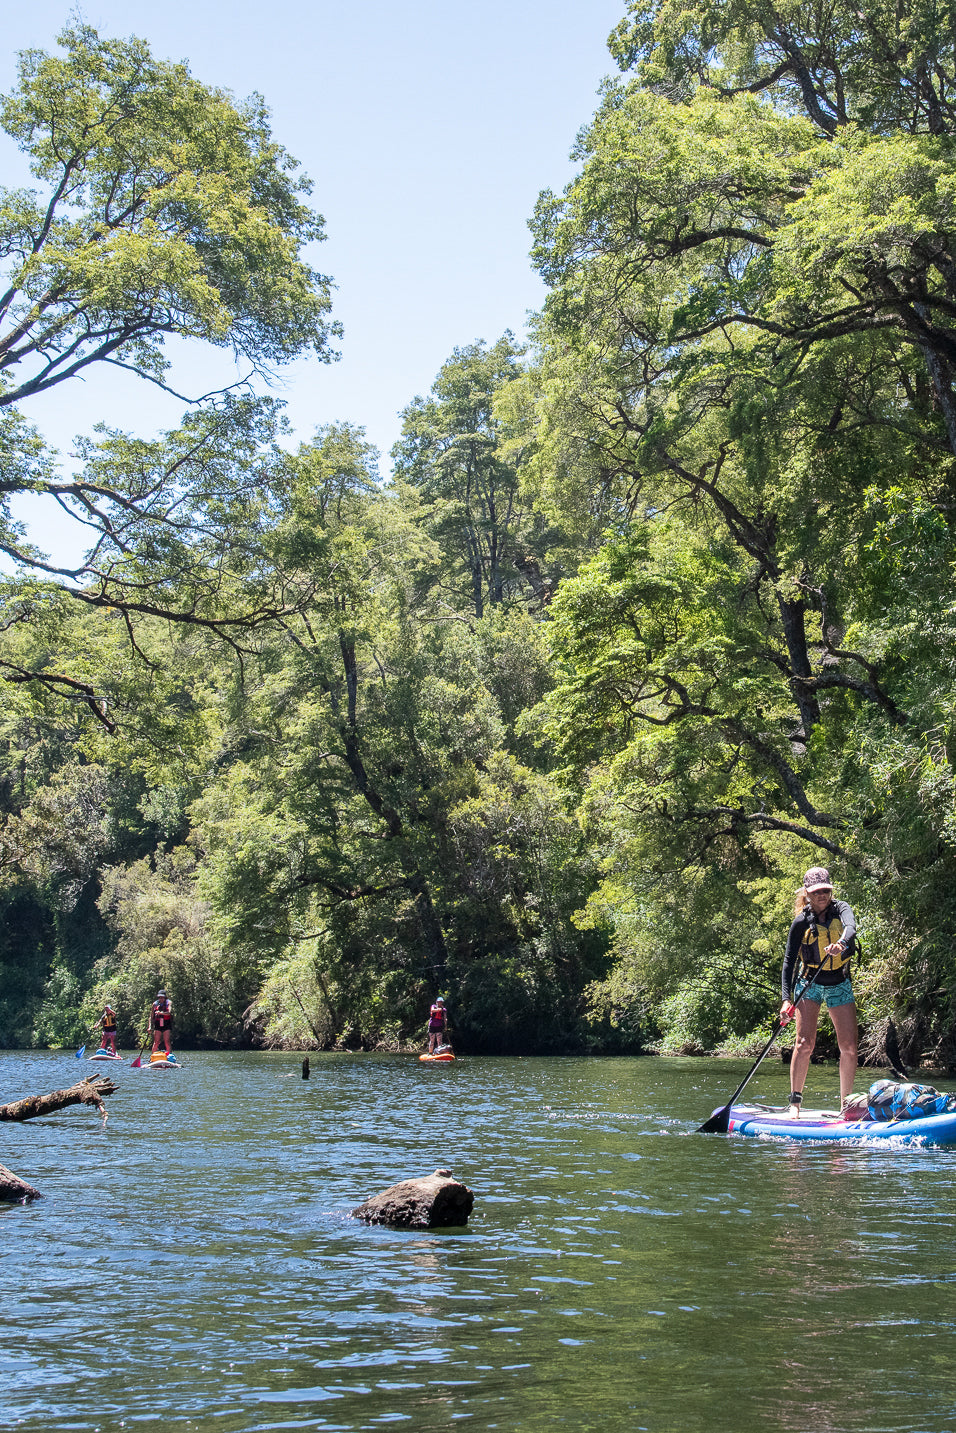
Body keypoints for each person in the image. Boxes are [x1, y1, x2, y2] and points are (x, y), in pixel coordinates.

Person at [779, 867, 858, 1115]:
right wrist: (785, 1000)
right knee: (804, 1043)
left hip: (839, 984)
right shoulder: (801, 922)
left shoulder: (841, 908)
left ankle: (846, 1106)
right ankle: (795, 1103)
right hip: (809, 984)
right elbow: (789, 962)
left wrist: (841, 944)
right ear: (807, 894)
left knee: (849, 1047)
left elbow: (851, 927)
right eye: (816, 892)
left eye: (826, 890)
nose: (822, 895)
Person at [150, 989, 173, 1057]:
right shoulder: (155, 1004)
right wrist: (149, 1027)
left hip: (166, 1023)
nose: (161, 999)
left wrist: (161, 1013)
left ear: (165, 997)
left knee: (167, 1041)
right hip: (158, 1023)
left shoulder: (168, 1003)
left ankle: (169, 1057)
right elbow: (151, 1017)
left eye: (162, 997)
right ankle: (153, 1056)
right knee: (156, 1042)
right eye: (159, 997)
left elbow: (169, 1012)